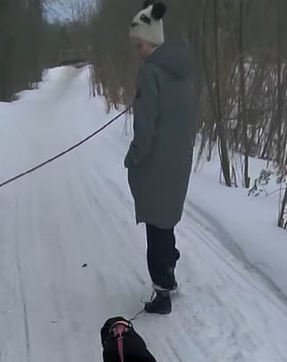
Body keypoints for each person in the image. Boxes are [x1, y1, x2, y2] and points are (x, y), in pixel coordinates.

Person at [125, 2, 195, 315]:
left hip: (155, 163)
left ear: (151, 41)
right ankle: (170, 273)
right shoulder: (182, 71)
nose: (136, 51)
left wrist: (133, 156)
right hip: (178, 161)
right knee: (166, 223)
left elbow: (145, 127)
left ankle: (162, 292)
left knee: (156, 227)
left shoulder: (151, 73)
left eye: (138, 44)